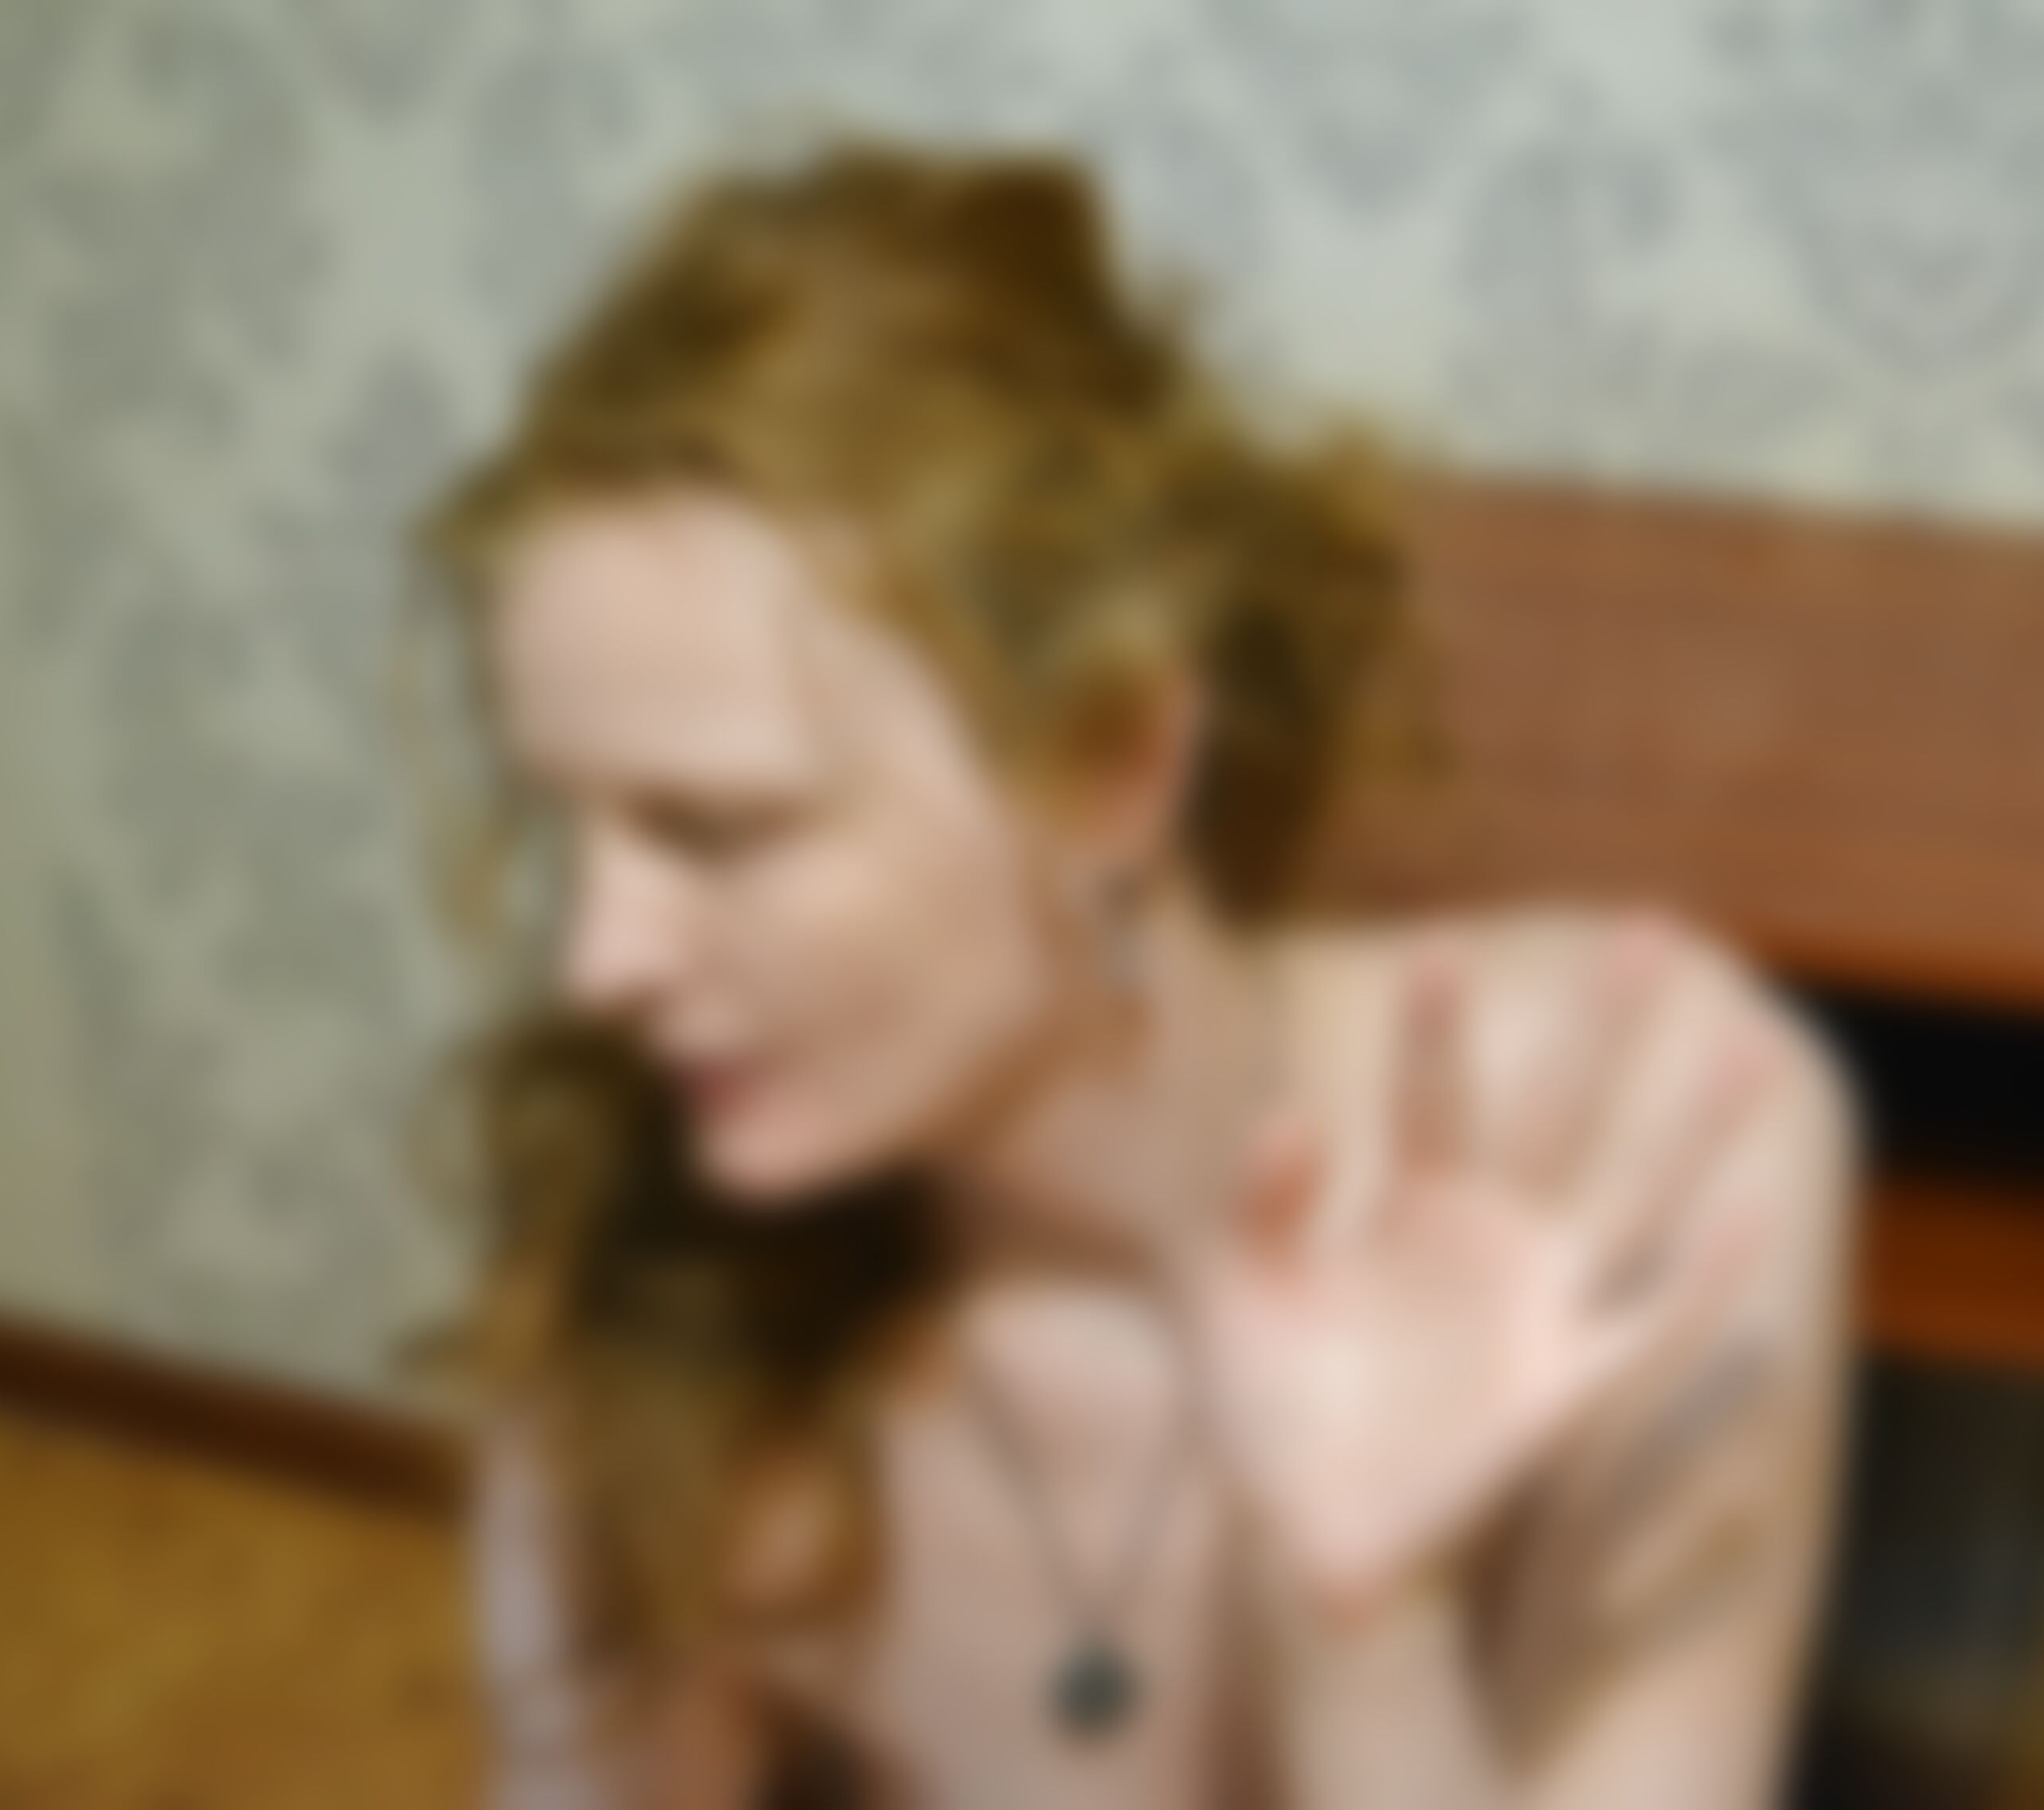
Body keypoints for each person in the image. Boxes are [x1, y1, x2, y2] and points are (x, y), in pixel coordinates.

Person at [418, 142, 1861, 1810]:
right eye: (573, 826)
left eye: (719, 826)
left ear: (1112, 759)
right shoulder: (654, 1243)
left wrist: (1367, 1630)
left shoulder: (1640, 1122)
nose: (594, 965)